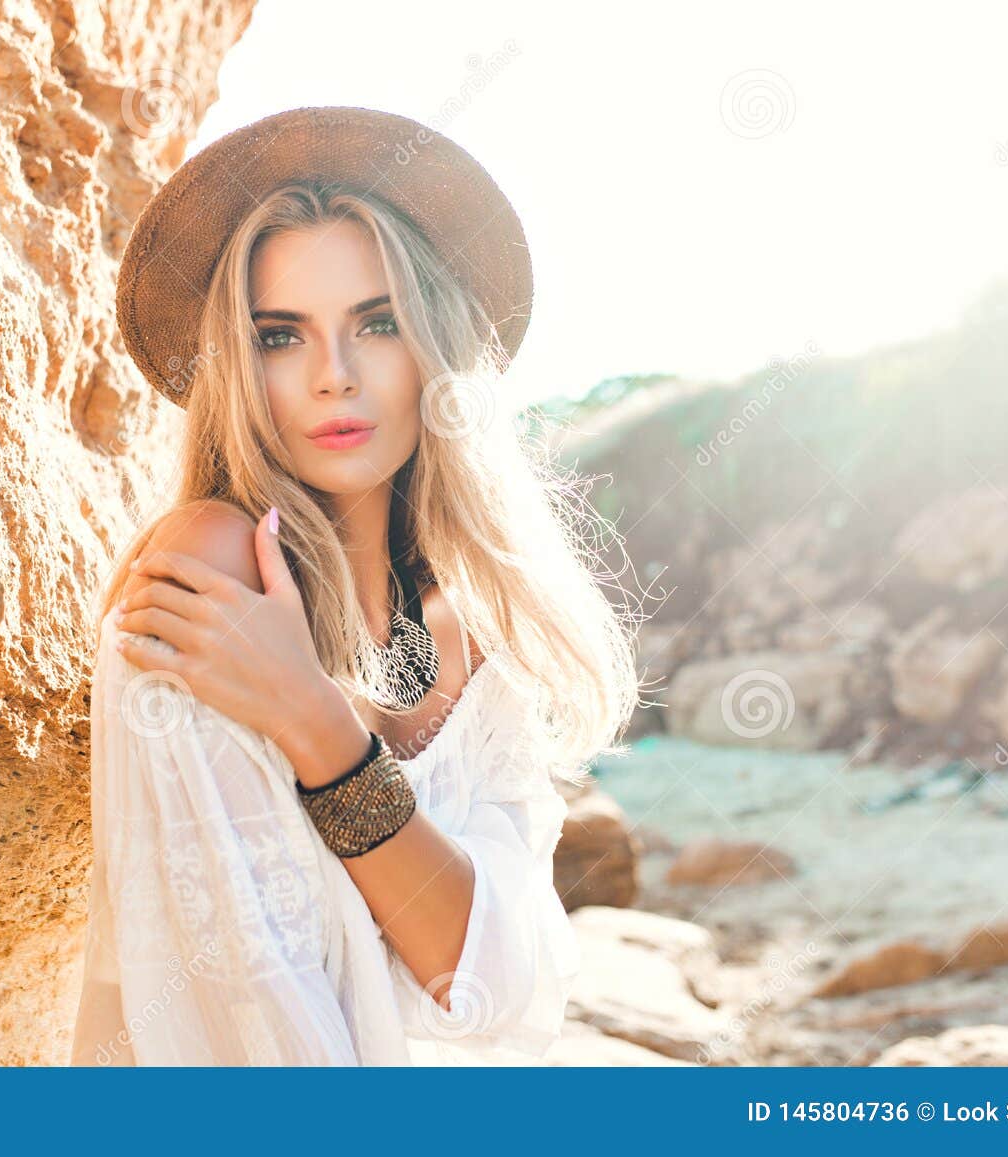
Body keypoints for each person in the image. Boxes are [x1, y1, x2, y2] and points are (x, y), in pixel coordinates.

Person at [70, 105, 639, 1065]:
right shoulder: (211, 572)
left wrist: (321, 733)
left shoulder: (475, 627)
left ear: (435, 347)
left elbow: (504, 984)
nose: (334, 375)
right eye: (280, 336)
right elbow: (250, 1015)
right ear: (238, 369)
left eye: (376, 323)